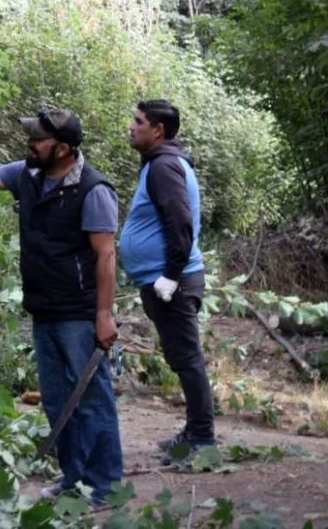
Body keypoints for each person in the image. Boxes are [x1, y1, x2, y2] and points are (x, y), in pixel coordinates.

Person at [0, 107, 122, 506]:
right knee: (56, 400)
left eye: (39, 140)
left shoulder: (93, 190)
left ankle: (104, 487)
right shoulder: (27, 174)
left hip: (79, 312)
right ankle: (73, 478)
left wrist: (103, 315)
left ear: (64, 149)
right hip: (44, 308)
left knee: (91, 400)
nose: (30, 144)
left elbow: (105, 256)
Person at [118, 99, 216, 458]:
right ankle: (193, 432)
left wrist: (171, 276)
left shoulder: (164, 167)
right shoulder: (158, 164)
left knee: (187, 358)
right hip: (166, 281)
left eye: (138, 121)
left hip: (174, 281)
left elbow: (180, 222)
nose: (131, 126)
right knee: (181, 356)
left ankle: (203, 440)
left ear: (157, 130)